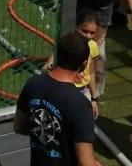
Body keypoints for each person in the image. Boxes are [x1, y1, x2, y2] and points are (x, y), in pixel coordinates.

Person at [14, 32, 96, 166]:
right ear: (83, 65)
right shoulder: (80, 104)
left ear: (57, 57)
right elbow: (85, 163)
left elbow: (19, 127)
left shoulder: (33, 84)